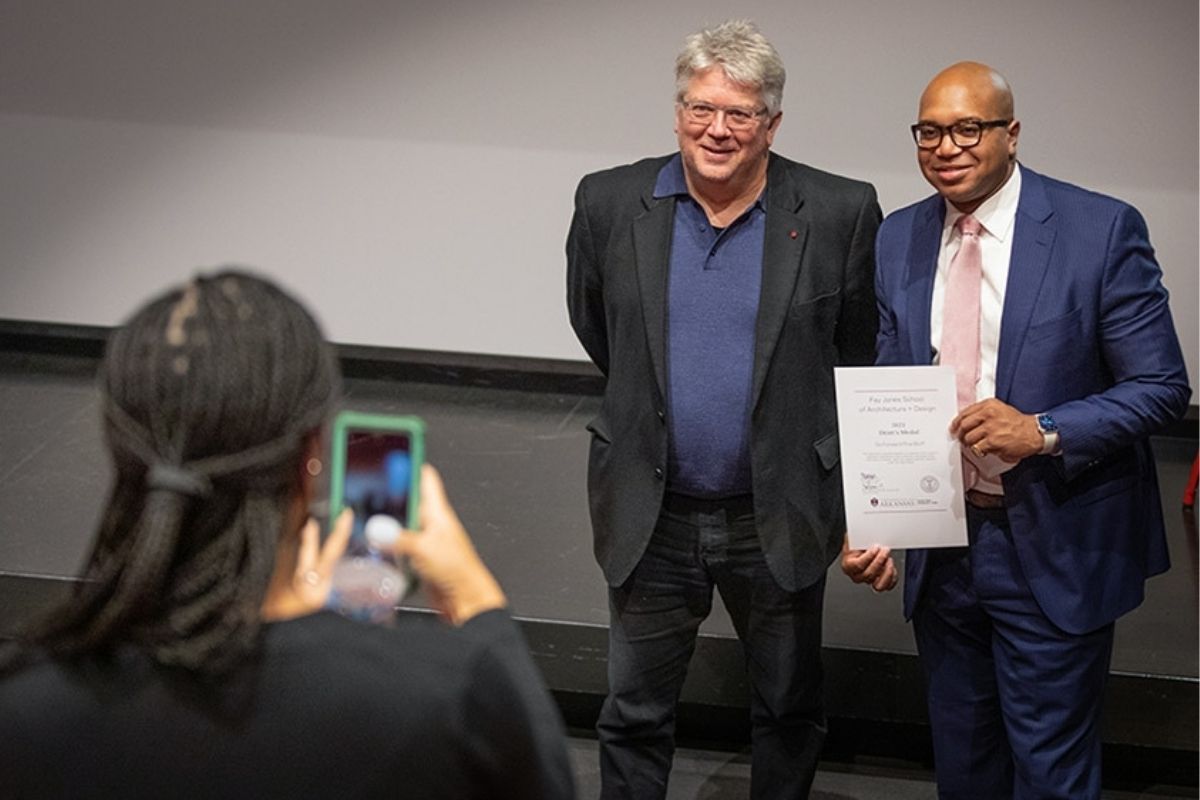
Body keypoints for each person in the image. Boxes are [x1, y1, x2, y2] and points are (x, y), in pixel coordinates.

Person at [0, 271, 575, 799]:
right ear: (311, 459)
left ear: (119, 446)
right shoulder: (443, 702)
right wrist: (477, 602)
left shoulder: (25, 704)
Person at [842, 62, 1190, 799]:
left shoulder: (1098, 230)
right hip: (944, 555)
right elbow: (889, 385)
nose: (947, 147)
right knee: (964, 770)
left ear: (1011, 133)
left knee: (1052, 775)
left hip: (1055, 541)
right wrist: (876, 516)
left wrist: (1043, 430)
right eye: (930, 131)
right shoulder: (899, 236)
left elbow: (1162, 388)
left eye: (969, 128)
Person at [566, 19, 881, 799]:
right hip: (653, 507)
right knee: (633, 714)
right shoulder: (610, 201)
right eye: (701, 108)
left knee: (786, 708)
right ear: (677, 111)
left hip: (777, 510)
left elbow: (859, 352)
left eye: (740, 114)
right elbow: (597, 325)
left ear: (771, 123)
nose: (717, 129)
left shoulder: (839, 211)